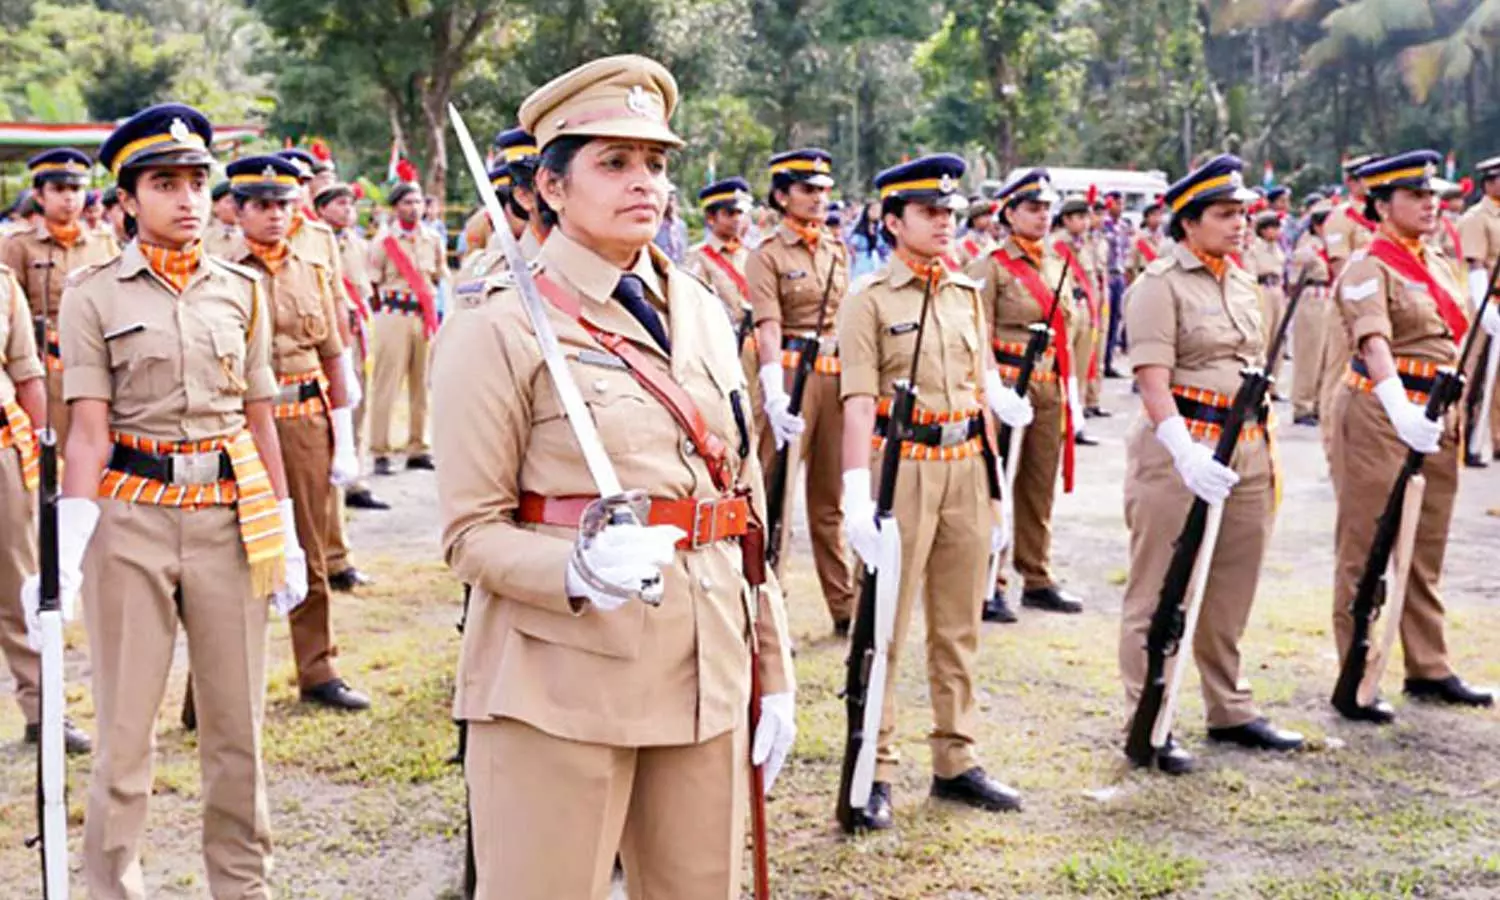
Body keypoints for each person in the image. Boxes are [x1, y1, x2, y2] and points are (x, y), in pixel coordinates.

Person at [431, 54, 795, 899]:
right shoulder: (500, 324)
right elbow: (469, 531)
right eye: (615, 162)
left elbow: (742, 508)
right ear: (551, 188)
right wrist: (572, 567)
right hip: (560, 683)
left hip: (704, 671)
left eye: (657, 163)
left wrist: (770, 665)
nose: (646, 183)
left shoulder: (701, 307)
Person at [46, 102, 306, 898]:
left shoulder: (241, 291)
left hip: (231, 519)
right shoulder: (91, 295)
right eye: (165, 183)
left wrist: (286, 530)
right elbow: (86, 430)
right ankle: (112, 886)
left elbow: (259, 419)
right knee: (126, 735)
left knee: (237, 732)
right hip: (132, 519)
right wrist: (68, 549)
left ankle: (242, 886)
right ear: (126, 199)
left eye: (197, 182)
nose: (188, 198)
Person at [838, 154, 1032, 829]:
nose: (945, 221)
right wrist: (856, 495)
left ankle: (956, 758)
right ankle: (876, 768)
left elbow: (980, 392)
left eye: (950, 211)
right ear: (893, 221)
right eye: (929, 211)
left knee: (957, 627)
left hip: (964, 468)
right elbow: (858, 402)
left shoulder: (964, 293)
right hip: (904, 469)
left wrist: (998, 489)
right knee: (884, 627)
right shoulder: (868, 298)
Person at [1118, 154, 1304, 776]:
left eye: (1243, 214)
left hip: (1248, 447)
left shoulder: (1244, 282)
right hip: (1184, 450)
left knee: (1232, 584)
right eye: (1226, 214)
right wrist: (1183, 448)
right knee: (1160, 590)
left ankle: (1229, 707)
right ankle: (1150, 715)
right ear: (1189, 222)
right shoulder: (1157, 286)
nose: (1240, 224)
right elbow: (1152, 380)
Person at [1329, 151, 1498, 723]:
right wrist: (1399, 405)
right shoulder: (1367, 265)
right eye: (1415, 196)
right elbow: (1374, 341)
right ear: (1381, 205)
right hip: (1382, 412)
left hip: (1436, 415)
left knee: (1426, 547)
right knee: (1368, 543)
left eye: (1433, 196)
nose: (1431, 205)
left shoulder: (1440, 263)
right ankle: (1355, 669)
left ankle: (1427, 665)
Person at [223, 155, 371, 712]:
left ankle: (319, 669)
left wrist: (344, 433)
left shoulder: (312, 270)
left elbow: (334, 355)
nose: (275, 216)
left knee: (308, 549)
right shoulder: (220, 273)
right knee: (235, 558)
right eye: (261, 205)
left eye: (284, 205)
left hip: (304, 422)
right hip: (238, 428)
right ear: (238, 211)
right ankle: (216, 689)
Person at [966, 169, 1084, 621]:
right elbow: (979, 334)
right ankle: (989, 581)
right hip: (1005, 386)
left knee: (1038, 484)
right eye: (1032, 208)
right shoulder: (991, 265)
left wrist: (1070, 390)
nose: (1041, 216)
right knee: (996, 484)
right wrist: (994, 389)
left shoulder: (1057, 264)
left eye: (1046, 209)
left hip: (1048, 384)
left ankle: (1036, 576)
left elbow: (1067, 332)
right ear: (1009, 213)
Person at [747, 148, 854, 633]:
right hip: (790, 374)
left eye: (823, 190)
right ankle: (772, 610)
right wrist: (772, 389)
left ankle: (844, 605)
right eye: (807, 189)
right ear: (782, 194)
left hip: (835, 375)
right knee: (777, 495)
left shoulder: (836, 249)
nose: (818, 198)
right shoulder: (767, 255)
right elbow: (768, 325)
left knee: (829, 499)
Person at [1, 261, 92, 754]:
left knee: (18, 586)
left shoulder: (2, 284)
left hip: (2, 450)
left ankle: (43, 711)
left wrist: (41, 454)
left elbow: (26, 374)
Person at [2, 148, 120, 449]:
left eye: (77, 189)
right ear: (39, 197)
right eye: (58, 189)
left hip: (100, 363)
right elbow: (13, 315)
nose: (69, 198)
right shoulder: (19, 246)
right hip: (46, 367)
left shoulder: (104, 245)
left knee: (99, 447)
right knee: (53, 450)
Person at [316, 182, 389, 513]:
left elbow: (367, 287)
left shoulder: (358, 244)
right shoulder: (314, 243)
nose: (348, 210)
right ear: (322, 209)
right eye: (340, 204)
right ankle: (332, 477)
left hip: (358, 331)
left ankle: (356, 479)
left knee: (359, 402)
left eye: (351, 204)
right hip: (330, 336)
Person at [369, 180, 444, 473]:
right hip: (394, 314)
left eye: (418, 202)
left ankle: (418, 447)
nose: (414, 208)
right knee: (387, 384)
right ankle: (380, 450)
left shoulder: (433, 239)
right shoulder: (383, 241)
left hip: (423, 316)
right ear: (396, 207)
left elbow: (438, 275)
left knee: (422, 384)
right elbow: (373, 283)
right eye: (407, 202)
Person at [1316, 154, 1381, 460]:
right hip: (1348, 305)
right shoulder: (1341, 218)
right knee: (1338, 374)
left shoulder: (1381, 214)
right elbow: (1340, 265)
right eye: (1367, 177)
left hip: (1377, 306)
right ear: (1352, 182)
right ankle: (1332, 446)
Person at [683, 177, 759, 394]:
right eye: (729, 213)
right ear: (710, 218)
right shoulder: (698, 257)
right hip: (723, 346)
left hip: (756, 346)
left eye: (740, 213)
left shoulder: (751, 254)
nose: (737, 220)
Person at [1050, 195, 1106, 435]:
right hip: (1068, 311)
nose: (1085, 222)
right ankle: (1062, 418)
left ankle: (1077, 417)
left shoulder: (1086, 244)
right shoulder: (1056, 246)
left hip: (1086, 310)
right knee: (1066, 367)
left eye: (1087, 217)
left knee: (1083, 366)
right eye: (1080, 217)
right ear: (1066, 219)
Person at [1457, 156, 1500, 467]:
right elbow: (1475, 265)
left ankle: (1496, 440)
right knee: (1473, 374)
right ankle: (1464, 439)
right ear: (1490, 181)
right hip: (1486, 301)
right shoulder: (1477, 217)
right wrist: (1484, 306)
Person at [1290, 199, 1335, 426]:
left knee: (1327, 355)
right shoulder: (1308, 245)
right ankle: (1303, 405)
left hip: (1329, 297)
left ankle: (1319, 402)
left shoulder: (1332, 244)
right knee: (1310, 354)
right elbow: (1296, 268)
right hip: (1312, 298)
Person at [1245, 211, 1290, 395]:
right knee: (1263, 338)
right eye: (1273, 227)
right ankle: (1257, 386)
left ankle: (1272, 386)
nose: (1277, 231)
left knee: (1278, 339)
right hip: (1262, 288)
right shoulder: (1255, 248)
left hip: (1277, 290)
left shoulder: (1277, 248)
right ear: (1264, 230)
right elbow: (1251, 273)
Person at [1101, 191, 1132, 378]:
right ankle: (1102, 361)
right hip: (1108, 275)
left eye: (1122, 203)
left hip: (1119, 276)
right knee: (1105, 321)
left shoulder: (1123, 226)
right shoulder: (1103, 226)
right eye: (1117, 203)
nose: (1120, 207)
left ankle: (1109, 361)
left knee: (1115, 320)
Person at [847, 199, 889, 280]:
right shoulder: (860, 228)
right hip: (861, 262)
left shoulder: (880, 228)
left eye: (878, 210)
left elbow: (883, 248)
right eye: (873, 209)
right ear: (867, 211)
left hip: (876, 262)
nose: (876, 212)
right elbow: (852, 247)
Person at [204, 179, 241, 257]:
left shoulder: (249, 236)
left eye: (240, 201)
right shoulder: (203, 237)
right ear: (214, 206)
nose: (236, 206)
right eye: (230, 201)